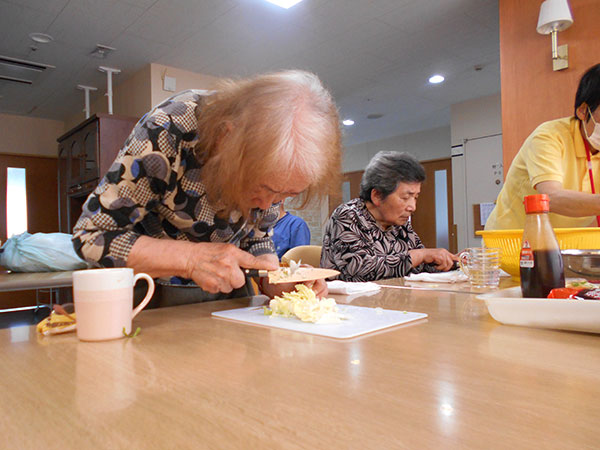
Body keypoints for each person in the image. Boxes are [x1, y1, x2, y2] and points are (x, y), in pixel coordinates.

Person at [72, 70, 341, 305]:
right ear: (227, 138)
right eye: (263, 187)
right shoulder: (171, 127)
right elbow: (92, 237)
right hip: (148, 296)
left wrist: (282, 282)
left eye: (286, 195)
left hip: (229, 304)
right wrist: (190, 260)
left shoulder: (270, 191)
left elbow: (257, 239)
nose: (266, 204)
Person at [485, 63, 600, 230]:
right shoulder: (549, 136)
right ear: (583, 111)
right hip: (513, 239)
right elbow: (550, 197)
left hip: (563, 241)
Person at [320, 151, 458, 282]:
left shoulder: (399, 224)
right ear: (377, 196)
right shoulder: (348, 215)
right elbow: (358, 269)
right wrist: (421, 255)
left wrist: (454, 261)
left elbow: (421, 265)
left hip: (393, 300)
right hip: (350, 304)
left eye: (415, 197)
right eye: (405, 197)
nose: (412, 207)